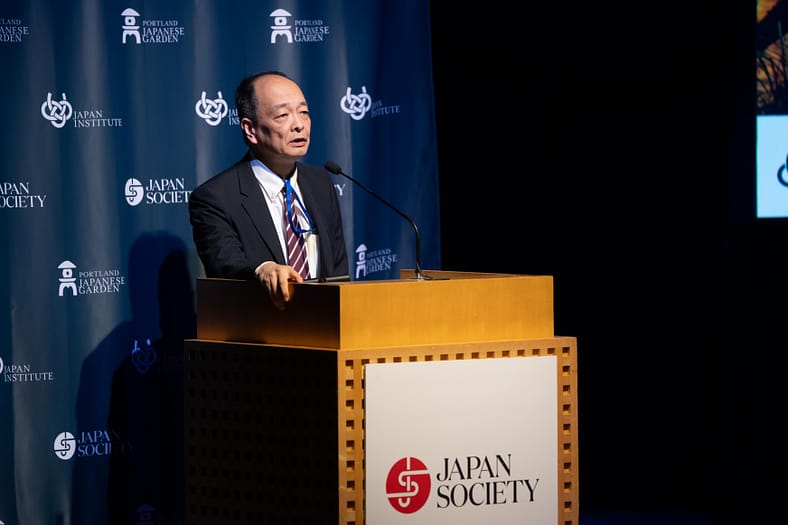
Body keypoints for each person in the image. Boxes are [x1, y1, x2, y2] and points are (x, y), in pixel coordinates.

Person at [189, 70, 348, 309]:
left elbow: (338, 270)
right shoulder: (215, 197)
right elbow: (225, 265)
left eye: (304, 113)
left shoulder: (321, 183)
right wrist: (263, 269)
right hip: (260, 332)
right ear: (250, 129)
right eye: (283, 115)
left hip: (325, 329)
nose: (298, 125)